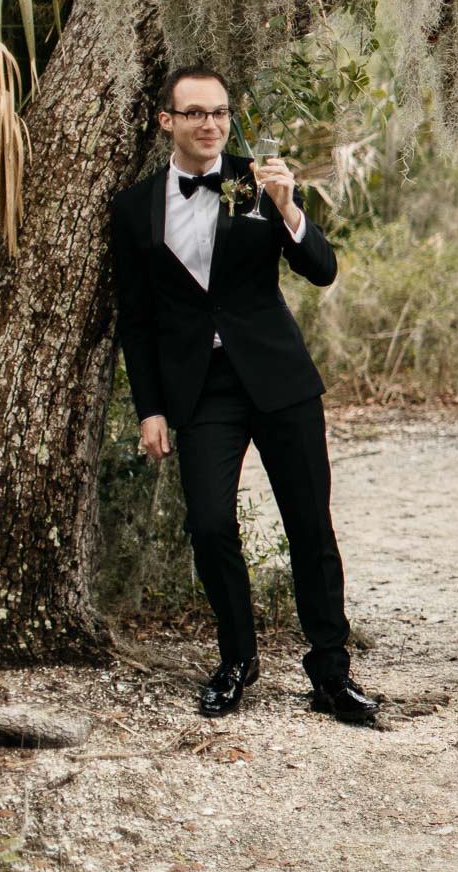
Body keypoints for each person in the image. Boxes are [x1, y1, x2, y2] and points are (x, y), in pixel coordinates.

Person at [109, 64, 375, 723]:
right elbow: (135, 320)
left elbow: (322, 270)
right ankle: (237, 659)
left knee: (309, 524)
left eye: (220, 113)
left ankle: (331, 672)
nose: (210, 124)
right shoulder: (134, 207)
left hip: (279, 379)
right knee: (207, 524)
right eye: (195, 113)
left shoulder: (259, 181)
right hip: (200, 390)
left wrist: (289, 208)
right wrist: (150, 409)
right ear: (167, 121)